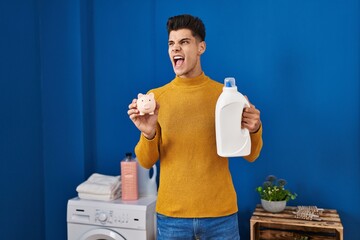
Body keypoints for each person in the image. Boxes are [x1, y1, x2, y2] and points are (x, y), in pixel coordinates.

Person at [128, 14, 263, 240]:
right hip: (172, 218)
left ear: (201, 47)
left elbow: (251, 155)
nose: (175, 49)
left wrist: (254, 128)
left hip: (220, 215)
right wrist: (148, 133)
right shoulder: (157, 98)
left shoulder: (225, 96)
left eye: (184, 42)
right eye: (171, 44)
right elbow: (145, 161)